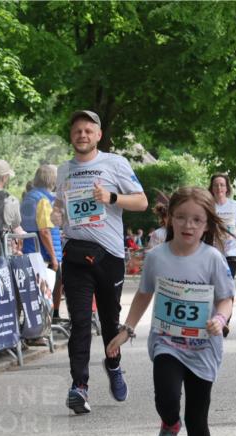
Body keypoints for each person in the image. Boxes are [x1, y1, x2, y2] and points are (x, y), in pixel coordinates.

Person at [105, 187, 233, 436]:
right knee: (166, 396)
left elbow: (225, 299)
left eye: (197, 220)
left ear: (207, 224)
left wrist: (219, 319)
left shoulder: (212, 259)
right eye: (181, 218)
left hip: (203, 348)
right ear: (170, 219)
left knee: (197, 418)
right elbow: (144, 294)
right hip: (167, 343)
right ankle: (169, 423)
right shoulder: (157, 257)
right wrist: (127, 330)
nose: (188, 225)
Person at [52, 110, 148, 414]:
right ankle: (79, 386)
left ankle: (114, 365)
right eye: (77, 131)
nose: (82, 135)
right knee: (80, 321)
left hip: (109, 256)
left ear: (98, 135)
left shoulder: (115, 163)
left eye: (88, 130)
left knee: (109, 321)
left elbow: (142, 201)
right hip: (76, 255)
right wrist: (56, 215)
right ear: (71, 136)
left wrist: (111, 197)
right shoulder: (64, 170)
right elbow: (59, 207)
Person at [19, 164, 63, 318]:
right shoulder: (44, 200)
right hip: (42, 256)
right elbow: (44, 231)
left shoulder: (29, 197)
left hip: (29, 251)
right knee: (44, 294)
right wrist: (53, 258)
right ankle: (45, 325)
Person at [208, 174, 236, 278]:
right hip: (213, 249)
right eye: (216, 185)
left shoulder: (235, 205)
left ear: (227, 188)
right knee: (215, 281)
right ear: (212, 188)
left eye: (222, 185)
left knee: (228, 281)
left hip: (231, 250)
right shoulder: (208, 205)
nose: (219, 188)